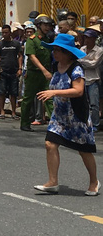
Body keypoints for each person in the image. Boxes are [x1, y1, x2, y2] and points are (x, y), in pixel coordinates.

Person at [35, 33, 98, 196]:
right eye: (53, 49)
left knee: (84, 150)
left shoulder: (76, 68)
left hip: (76, 116)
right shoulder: (56, 66)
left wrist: (53, 92)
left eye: (57, 50)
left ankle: (94, 182)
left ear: (66, 52)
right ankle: (52, 182)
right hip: (59, 116)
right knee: (50, 144)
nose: (54, 53)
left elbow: (78, 91)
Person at [20, 15, 55, 132]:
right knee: (28, 99)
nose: (47, 27)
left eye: (49, 25)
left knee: (49, 98)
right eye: (45, 25)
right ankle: (25, 123)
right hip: (34, 73)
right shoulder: (32, 39)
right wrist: (44, 70)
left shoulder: (48, 40)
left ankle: (55, 123)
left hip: (46, 74)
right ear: (39, 26)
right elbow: (32, 56)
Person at [0, 24, 23, 120]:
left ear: (10, 33)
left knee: (13, 93)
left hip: (14, 72)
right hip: (2, 71)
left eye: (6, 32)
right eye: (3, 33)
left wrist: (19, 68)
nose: (4, 34)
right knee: (1, 92)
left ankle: (13, 112)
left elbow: (20, 56)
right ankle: (1, 111)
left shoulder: (16, 44)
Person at [79, 26, 103, 132]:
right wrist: (86, 61)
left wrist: (83, 61)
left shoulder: (99, 50)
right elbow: (78, 60)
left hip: (94, 80)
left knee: (94, 104)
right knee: (84, 103)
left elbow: (94, 64)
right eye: (86, 37)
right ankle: (85, 122)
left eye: (89, 38)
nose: (87, 40)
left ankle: (95, 124)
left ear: (93, 39)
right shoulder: (82, 49)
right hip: (83, 79)